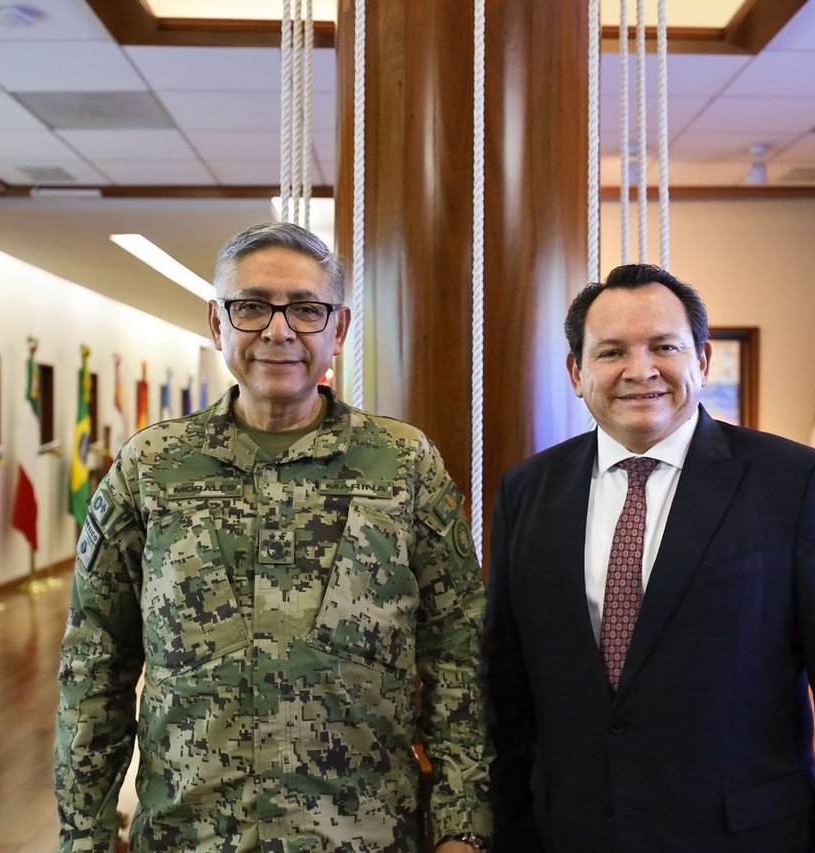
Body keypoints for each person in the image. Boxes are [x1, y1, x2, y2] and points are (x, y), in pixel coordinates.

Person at [55, 221, 492, 852]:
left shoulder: (402, 464)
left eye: (306, 311)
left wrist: (462, 829)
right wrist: (83, 837)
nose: (278, 331)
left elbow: (457, 653)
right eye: (252, 307)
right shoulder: (151, 468)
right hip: (189, 834)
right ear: (217, 324)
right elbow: (95, 662)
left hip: (361, 835)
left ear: (337, 330)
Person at [485, 264, 815, 852]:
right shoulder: (528, 490)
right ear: (577, 372)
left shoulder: (795, 483)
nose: (640, 370)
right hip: (570, 832)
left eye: (664, 347)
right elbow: (507, 693)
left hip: (741, 836)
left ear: (702, 361)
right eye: (611, 352)